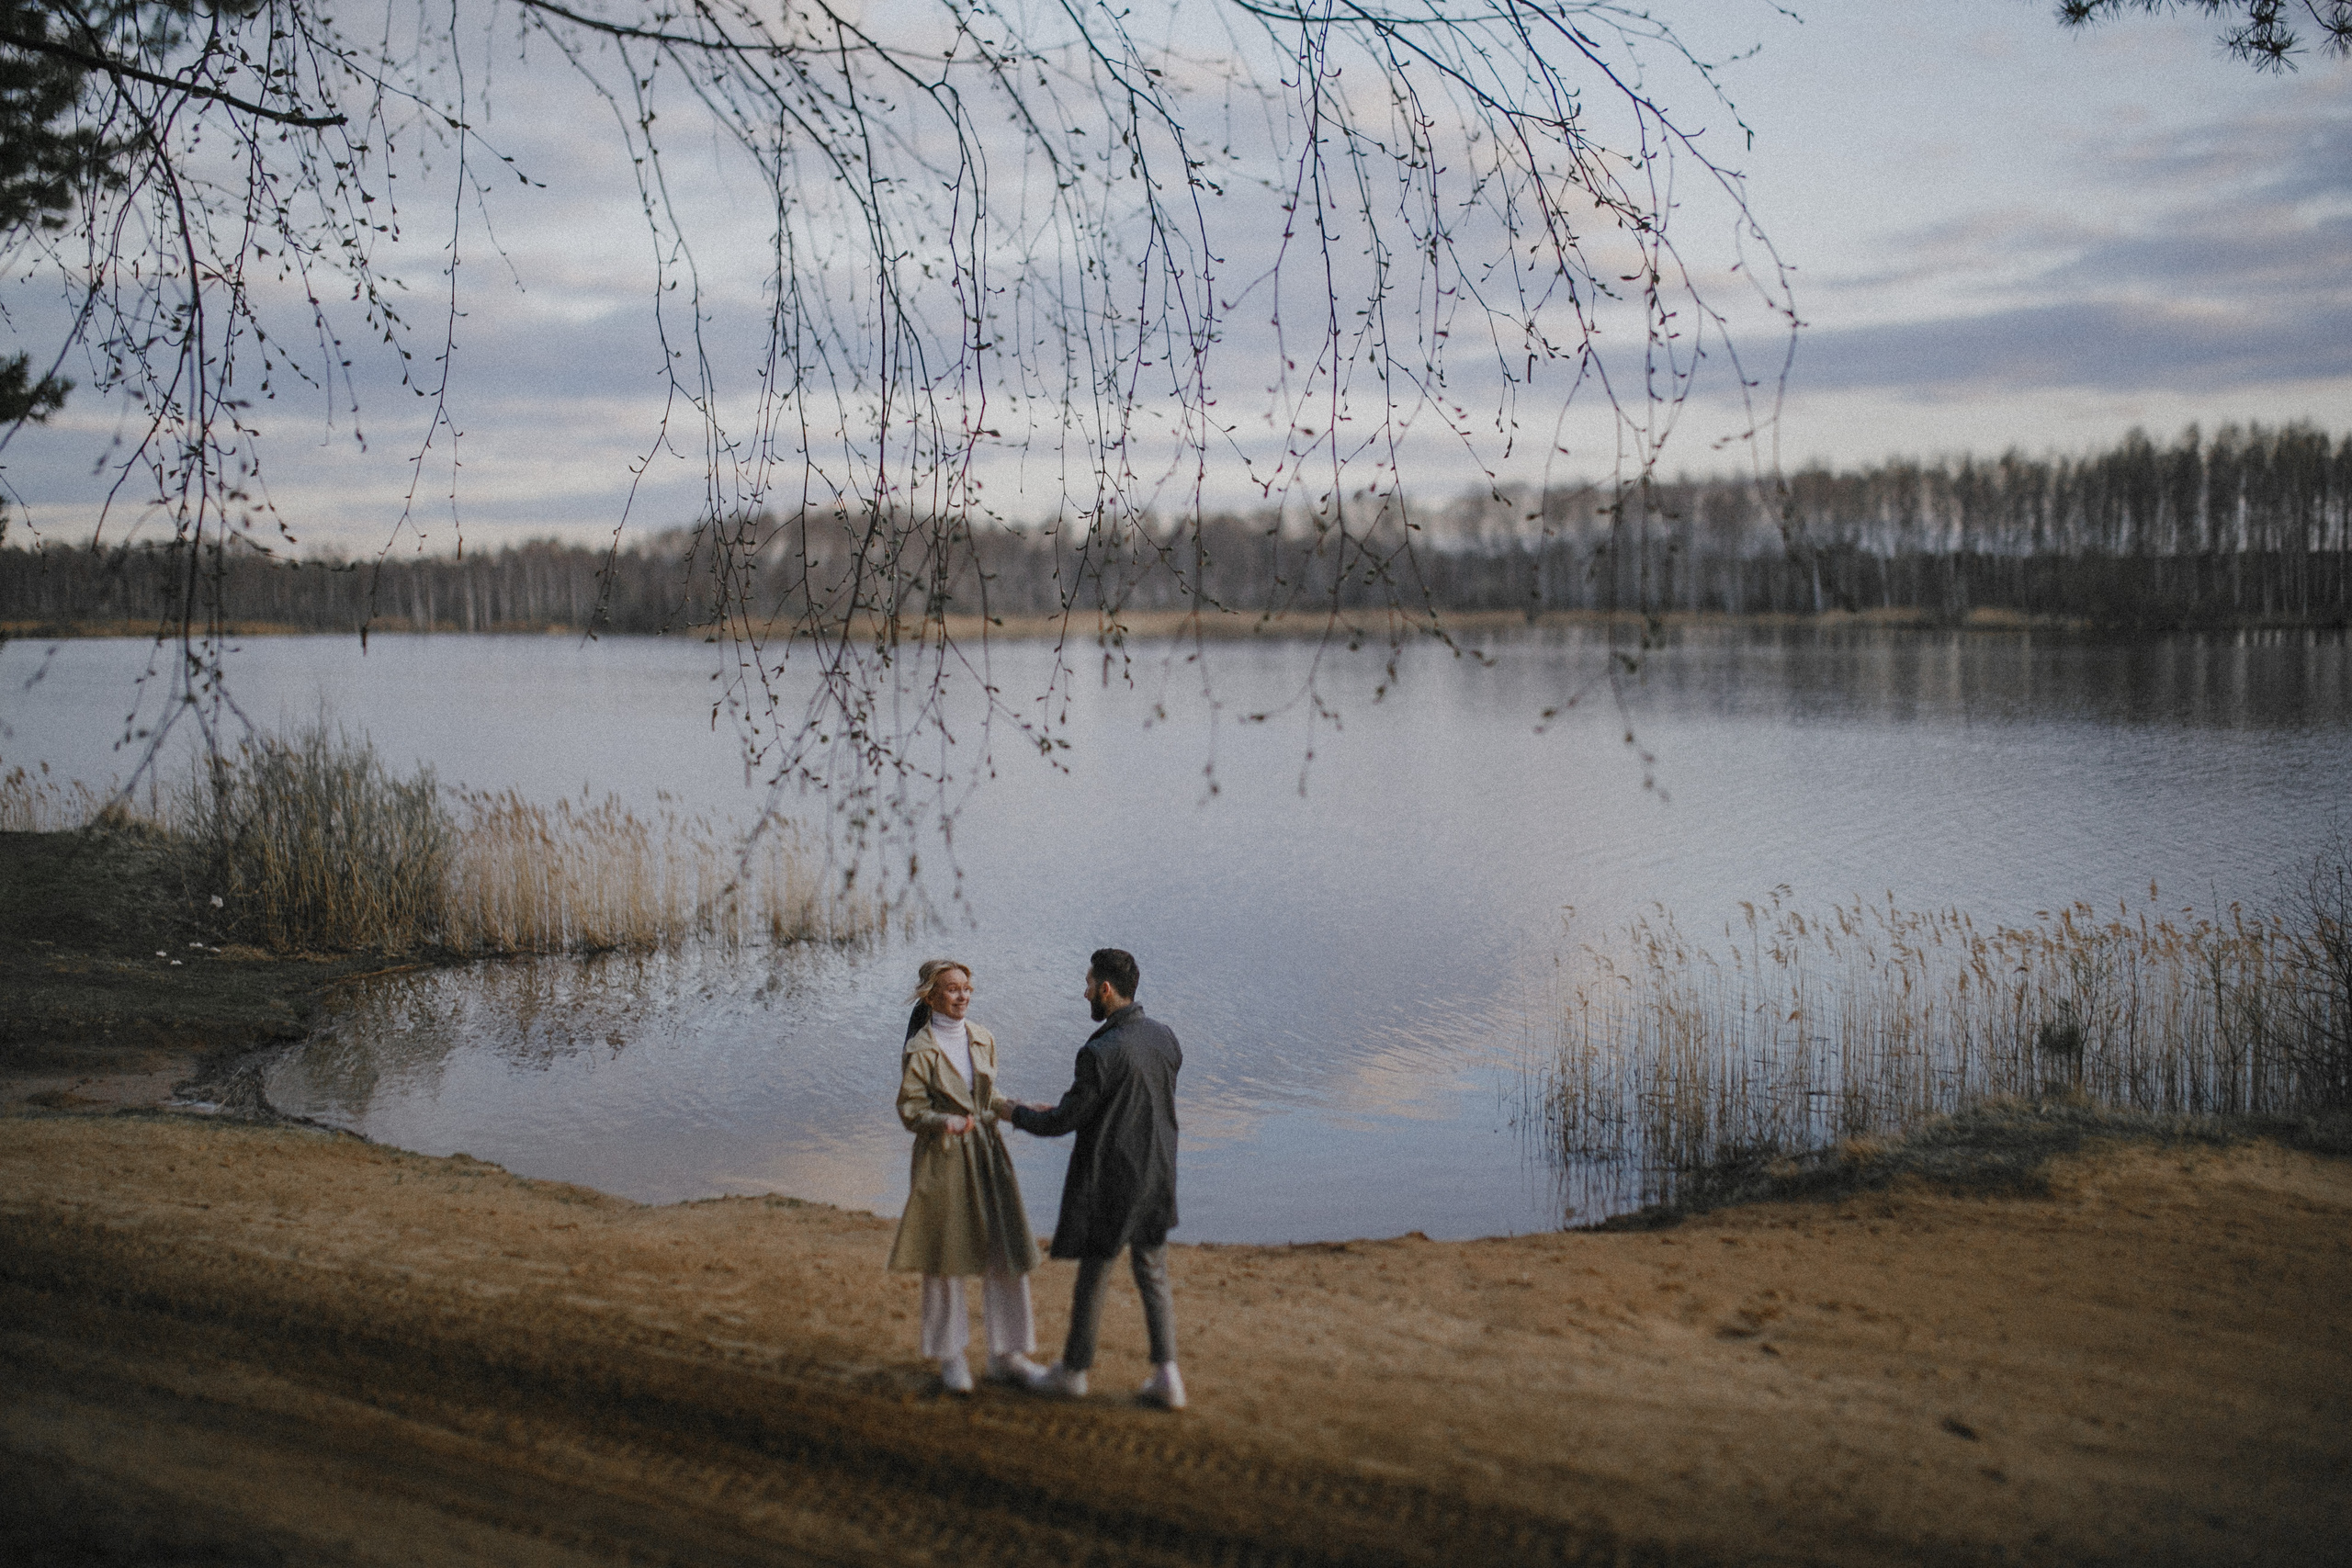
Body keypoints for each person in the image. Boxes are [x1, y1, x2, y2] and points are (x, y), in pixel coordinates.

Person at [1011, 947, 1186, 1409]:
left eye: (1088, 984)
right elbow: (1132, 1101)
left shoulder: (1098, 1052)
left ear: (1106, 989)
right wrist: (1071, 1109)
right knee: (1153, 1274)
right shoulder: (1165, 1038)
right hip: (1158, 1172)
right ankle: (1169, 1377)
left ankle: (1073, 1373)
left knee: (1095, 1275)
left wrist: (1016, 1113)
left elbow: (1062, 1122)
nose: (1084, 992)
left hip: (1113, 1181)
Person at [887, 959, 1044, 1394]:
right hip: (942, 1157)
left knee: (1005, 1247)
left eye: (967, 988)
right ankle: (951, 1357)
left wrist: (1020, 1111)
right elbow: (910, 1111)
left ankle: (1009, 1354)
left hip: (987, 1153)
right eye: (953, 989)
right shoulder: (920, 1049)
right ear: (931, 996)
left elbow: (988, 1097)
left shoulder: (983, 1038)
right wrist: (945, 1121)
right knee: (945, 1257)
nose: (962, 996)